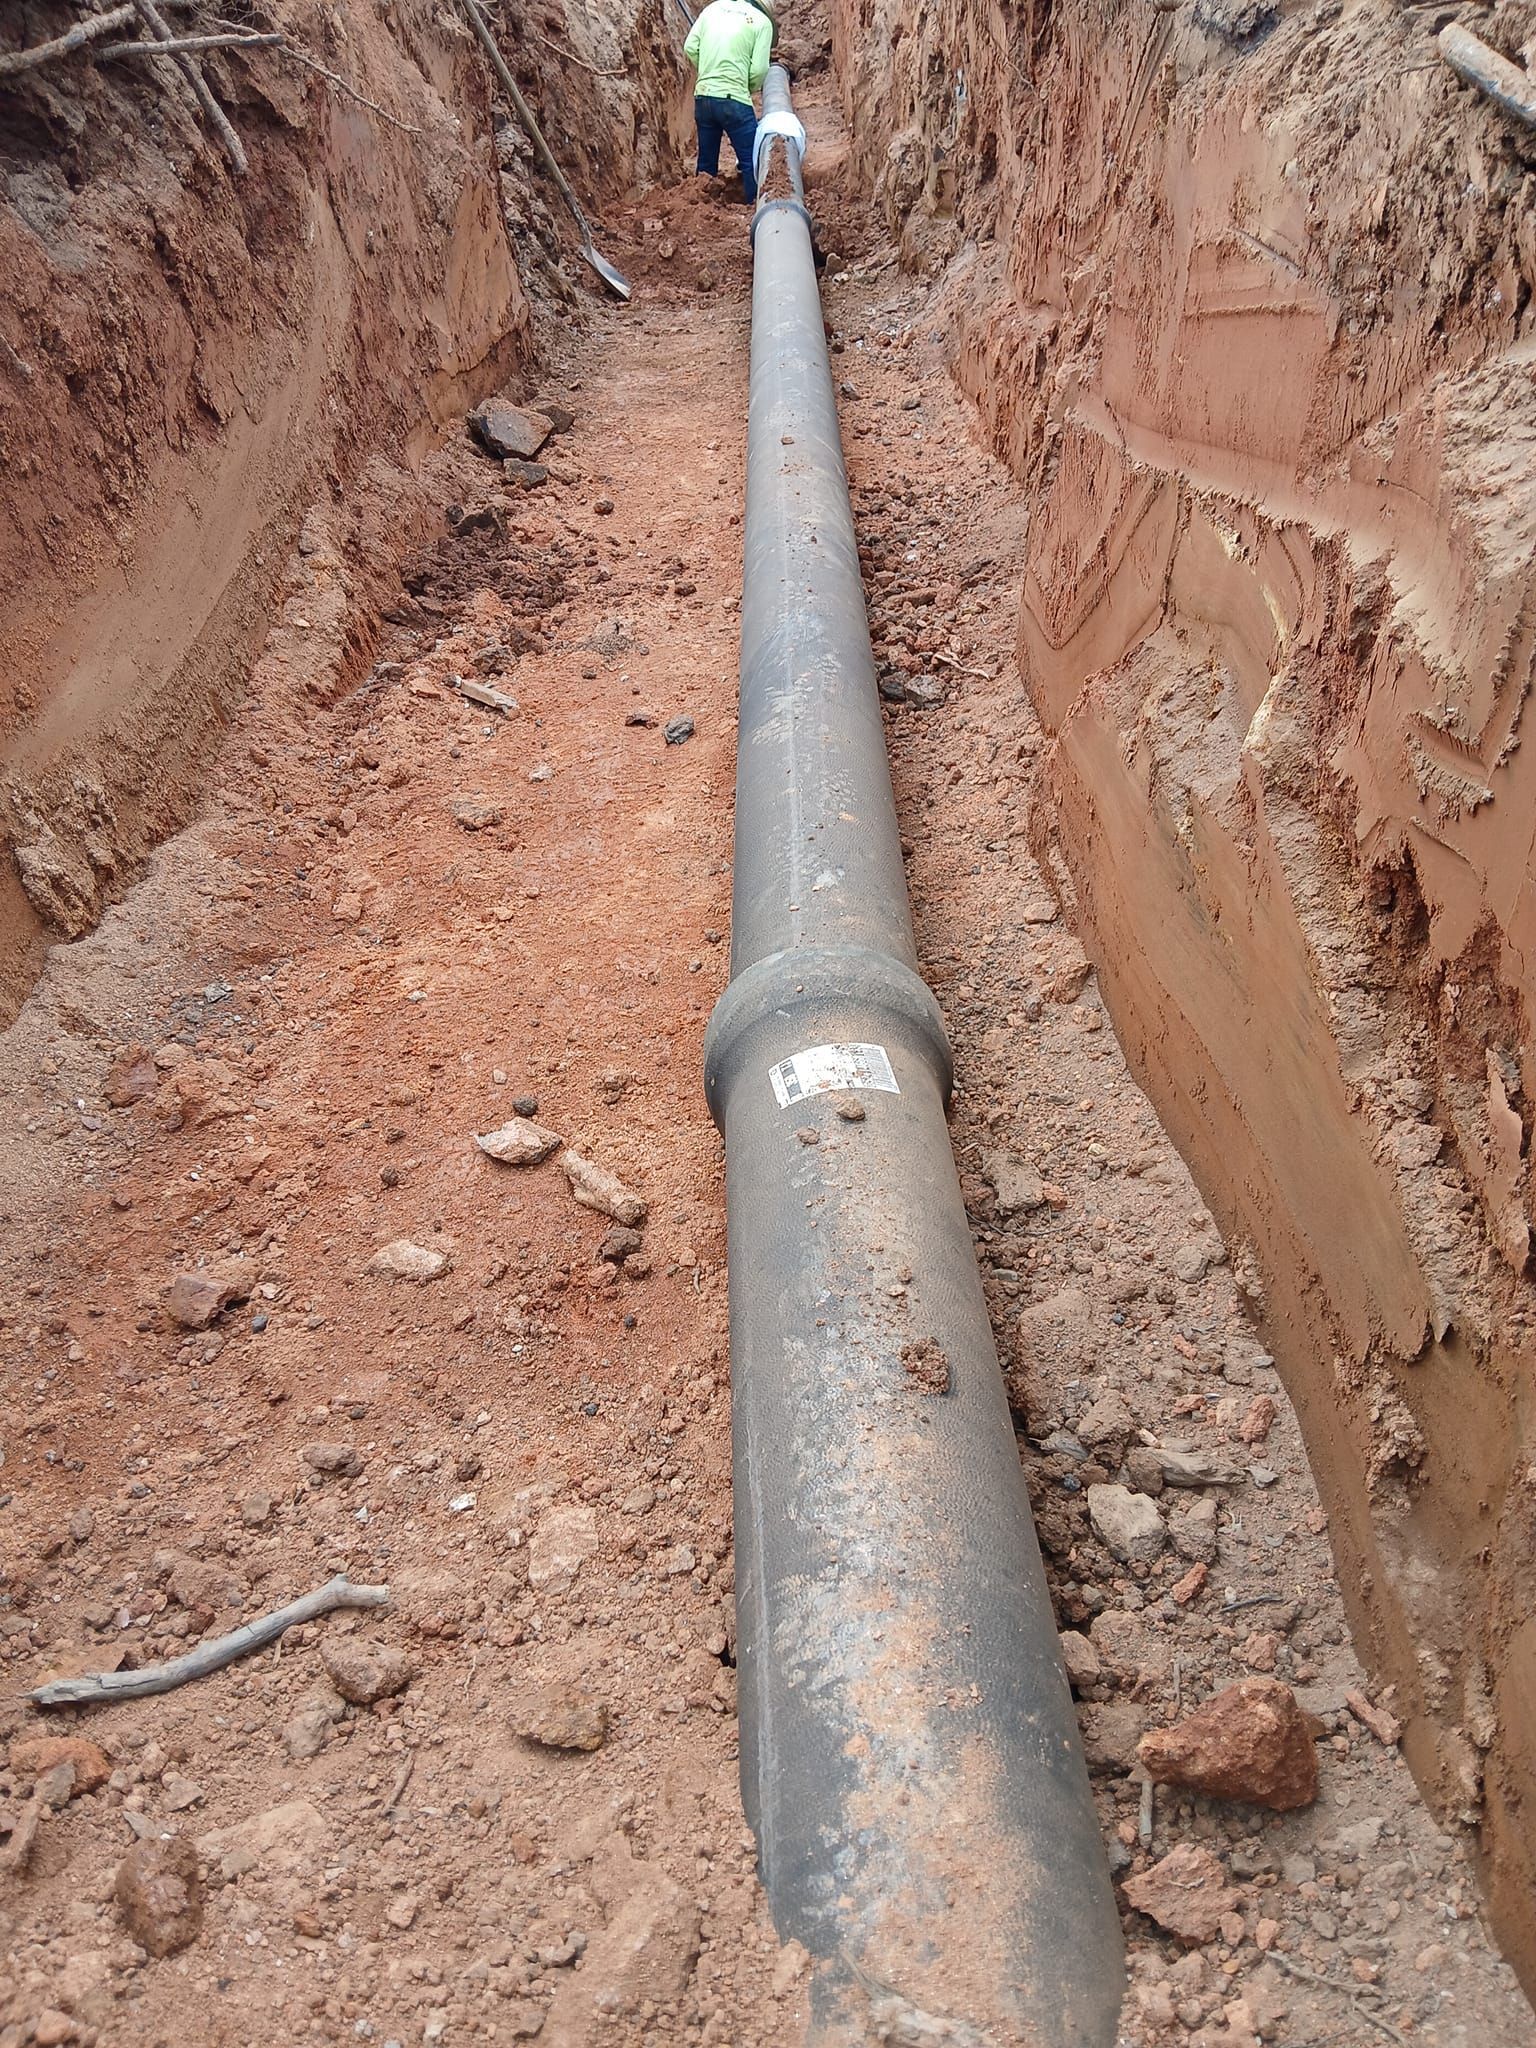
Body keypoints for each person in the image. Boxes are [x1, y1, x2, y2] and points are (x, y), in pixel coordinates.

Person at [683, 0, 774, 204]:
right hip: (735, 101)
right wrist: (745, 87)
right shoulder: (761, 22)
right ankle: (756, 207)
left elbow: (690, 47)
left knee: (706, 161)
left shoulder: (712, 9)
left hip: (703, 97)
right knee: (751, 159)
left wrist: (707, 73)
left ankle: (701, 207)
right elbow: (760, 69)